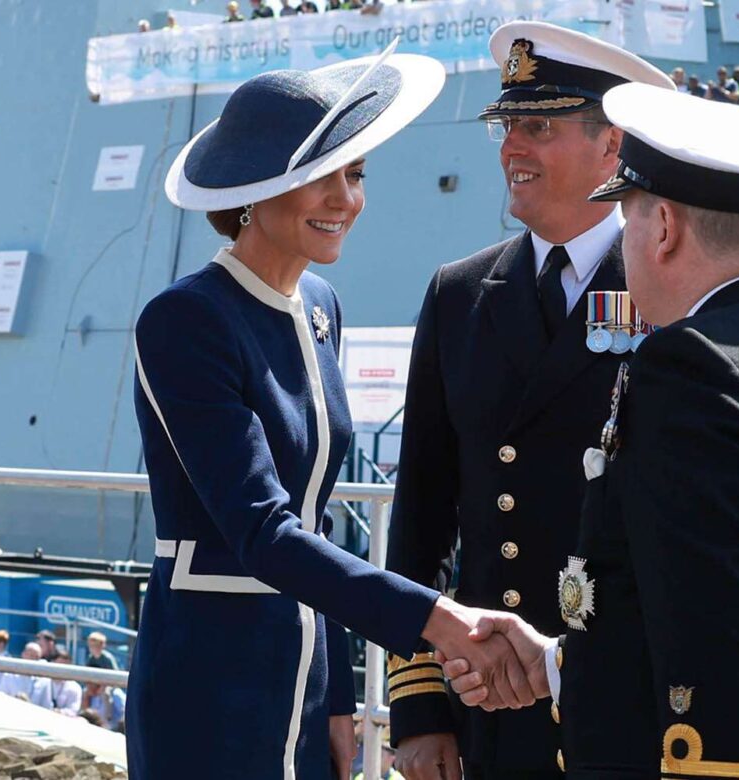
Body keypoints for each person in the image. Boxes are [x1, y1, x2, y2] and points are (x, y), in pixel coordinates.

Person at [443, 82, 739, 779]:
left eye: (628, 219)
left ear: (663, 227)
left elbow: (717, 641)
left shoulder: (691, 370)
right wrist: (556, 664)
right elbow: (710, 609)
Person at [128, 47, 536, 780]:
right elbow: (262, 528)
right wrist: (441, 622)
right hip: (209, 675)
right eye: (320, 177)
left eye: (355, 174)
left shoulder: (320, 308)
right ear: (254, 190)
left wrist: (340, 695)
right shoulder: (186, 320)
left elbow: (314, 522)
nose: (345, 199)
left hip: (307, 676)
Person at [384, 21, 673, 780]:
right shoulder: (458, 294)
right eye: (506, 126)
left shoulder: (669, 290)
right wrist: (418, 710)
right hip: (489, 708)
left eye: (538, 126)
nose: (512, 147)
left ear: (612, 144)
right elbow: (420, 513)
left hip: (617, 701)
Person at [48, 651, 83, 715]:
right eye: (59, 665)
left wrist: (58, 712)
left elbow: (73, 710)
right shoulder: (42, 682)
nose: (62, 669)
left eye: (65, 666)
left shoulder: (74, 687)